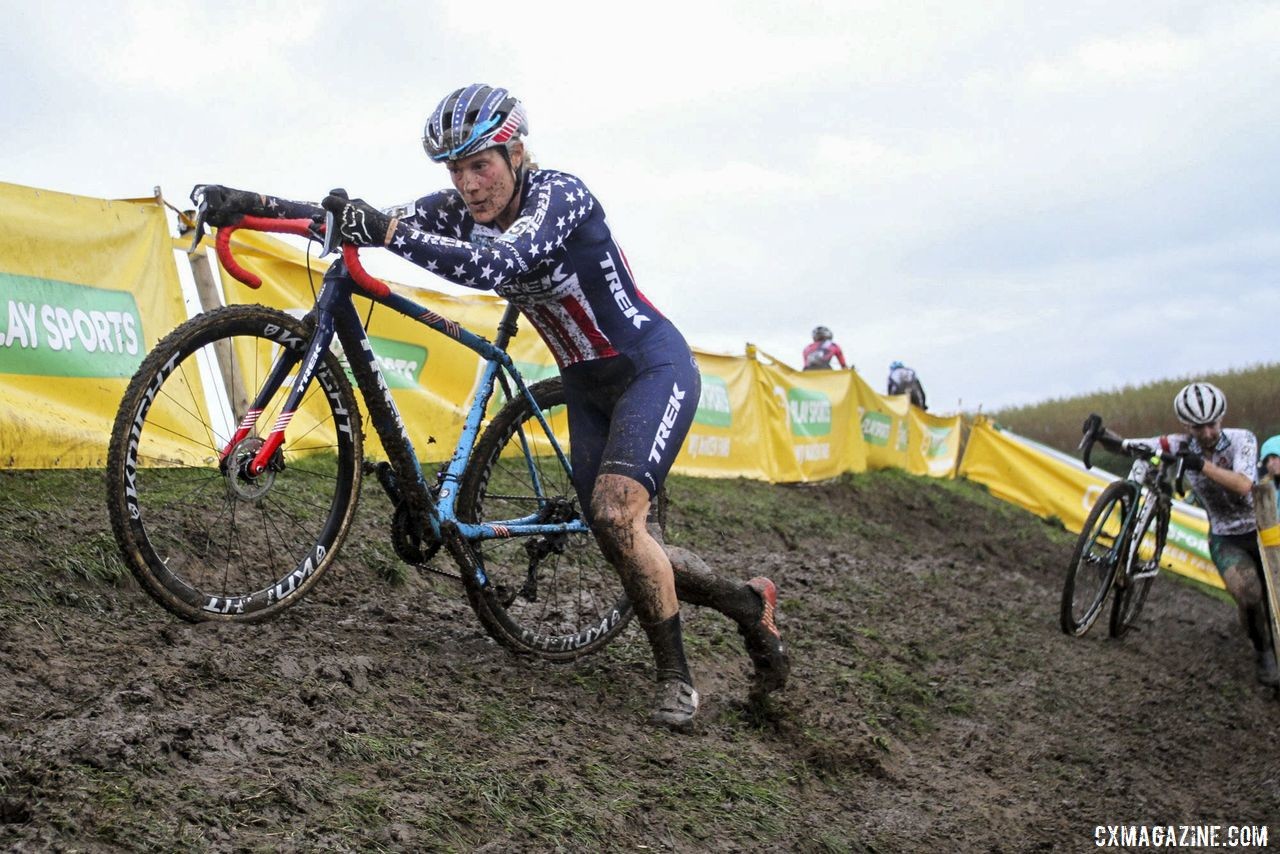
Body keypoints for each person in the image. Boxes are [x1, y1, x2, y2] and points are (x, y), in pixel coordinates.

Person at [194, 84, 788, 728]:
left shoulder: (562, 195)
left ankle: (675, 677)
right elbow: (348, 218)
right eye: (456, 170)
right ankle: (746, 604)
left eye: (481, 165)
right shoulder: (459, 210)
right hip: (584, 387)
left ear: (516, 153)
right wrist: (249, 205)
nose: (470, 184)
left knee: (615, 515)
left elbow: (496, 261)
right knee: (621, 535)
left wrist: (387, 232)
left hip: (652, 368)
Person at [1091, 382, 1277, 686]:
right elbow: (1130, 446)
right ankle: (1263, 650)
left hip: (1263, 531)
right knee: (1249, 595)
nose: (1206, 433)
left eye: (1212, 424)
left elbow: (1244, 485)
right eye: (1198, 427)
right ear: (1186, 426)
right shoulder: (1179, 444)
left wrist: (1201, 465)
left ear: (1222, 419)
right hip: (1227, 538)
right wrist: (1102, 435)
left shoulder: (1242, 439)